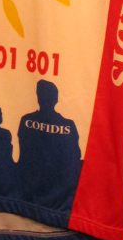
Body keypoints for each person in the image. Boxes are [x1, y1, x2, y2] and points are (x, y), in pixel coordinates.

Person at [17, 80, 82, 210]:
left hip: (27, 192)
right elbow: (76, 155)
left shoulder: (27, 120)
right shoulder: (68, 125)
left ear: (38, 97)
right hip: (59, 196)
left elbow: (24, 152)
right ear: (56, 99)